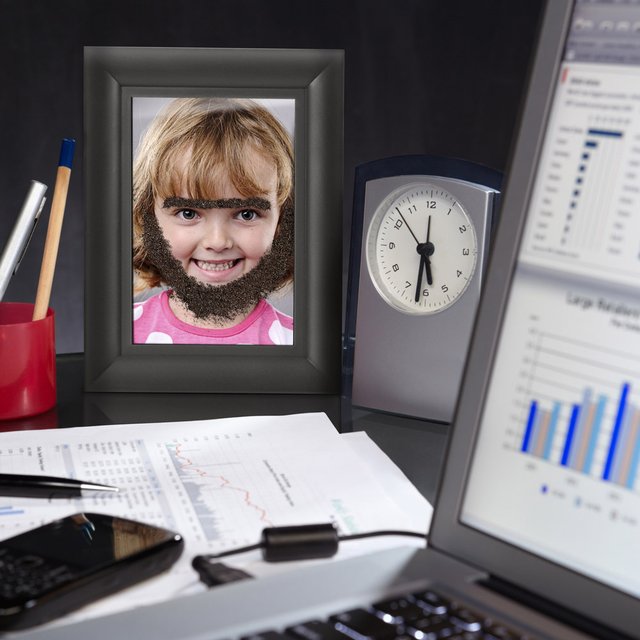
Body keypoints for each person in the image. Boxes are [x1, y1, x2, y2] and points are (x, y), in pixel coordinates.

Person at [132, 97, 295, 345]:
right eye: (188, 213)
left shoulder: (297, 343)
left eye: (246, 214)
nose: (217, 242)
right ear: (149, 219)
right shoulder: (122, 335)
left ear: (281, 222)